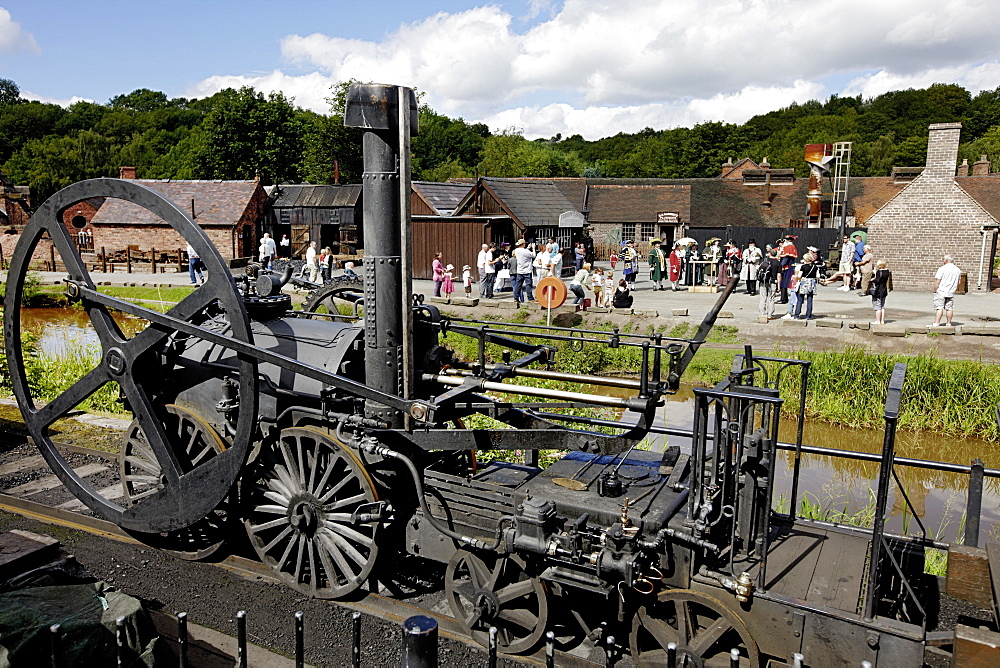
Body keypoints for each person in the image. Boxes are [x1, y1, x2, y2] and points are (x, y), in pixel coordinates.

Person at [931, 255, 962, 326]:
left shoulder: (942, 269)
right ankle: (948, 323)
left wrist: (935, 289)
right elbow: (959, 282)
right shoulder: (957, 270)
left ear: (945, 260)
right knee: (949, 308)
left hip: (941, 291)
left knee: (939, 307)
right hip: (951, 292)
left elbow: (937, 281)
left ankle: (937, 322)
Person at [793, 253, 820, 320]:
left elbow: (799, 276)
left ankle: (797, 315)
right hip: (812, 283)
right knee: (810, 299)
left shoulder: (803, 267)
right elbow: (818, 276)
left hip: (804, 283)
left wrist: (798, 280)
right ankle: (808, 316)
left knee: (800, 299)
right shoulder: (815, 267)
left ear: (806, 259)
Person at [758, 248, 780, 319]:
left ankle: (762, 314)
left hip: (763, 281)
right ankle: (770, 315)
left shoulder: (764, 261)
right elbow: (779, 275)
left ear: (769, 254)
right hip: (773, 281)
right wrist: (779, 286)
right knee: (771, 298)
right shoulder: (778, 263)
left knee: (763, 298)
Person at [778, 234, 798, 303]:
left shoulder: (789, 247)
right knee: (784, 283)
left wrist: (780, 266)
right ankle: (784, 298)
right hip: (789, 266)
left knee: (784, 283)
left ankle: (783, 299)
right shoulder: (791, 246)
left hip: (787, 267)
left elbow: (785, 259)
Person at [871, 259, 891, 324]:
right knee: (882, 306)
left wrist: (872, 279)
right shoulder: (887, 271)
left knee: (877, 306)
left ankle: (877, 321)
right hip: (884, 290)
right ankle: (882, 320)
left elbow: (877, 280)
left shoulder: (879, 272)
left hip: (878, 290)